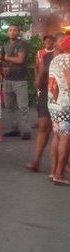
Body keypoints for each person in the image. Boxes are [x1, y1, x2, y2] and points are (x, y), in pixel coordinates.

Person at [26, 34, 58, 172]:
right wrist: (38, 81)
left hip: (63, 97)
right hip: (46, 93)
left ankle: (60, 165)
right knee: (44, 127)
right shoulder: (44, 55)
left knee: (61, 132)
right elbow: (40, 73)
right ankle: (36, 161)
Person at [0, 24, 31, 140]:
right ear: (7, 33)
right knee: (9, 106)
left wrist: (7, 58)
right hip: (7, 79)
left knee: (23, 106)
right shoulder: (5, 45)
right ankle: (14, 128)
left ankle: (26, 131)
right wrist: (2, 66)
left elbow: (20, 60)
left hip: (20, 79)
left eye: (15, 30)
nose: (12, 32)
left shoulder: (22, 44)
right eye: (10, 30)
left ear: (18, 32)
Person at [47, 34, 70, 185]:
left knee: (57, 137)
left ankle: (53, 171)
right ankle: (59, 174)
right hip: (66, 106)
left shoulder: (56, 59)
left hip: (53, 104)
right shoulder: (69, 60)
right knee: (66, 139)